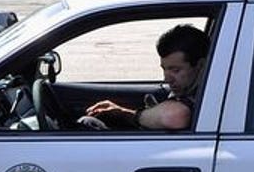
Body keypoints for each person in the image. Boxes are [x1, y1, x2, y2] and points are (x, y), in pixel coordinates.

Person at [80, 24, 210, 131]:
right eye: (164, 69)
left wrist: (126, 114)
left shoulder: (212, 93)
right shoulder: (188, 88)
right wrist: (121, 112)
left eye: (175, 70)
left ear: (200, 65)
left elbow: (175, 116)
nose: (167, 79)